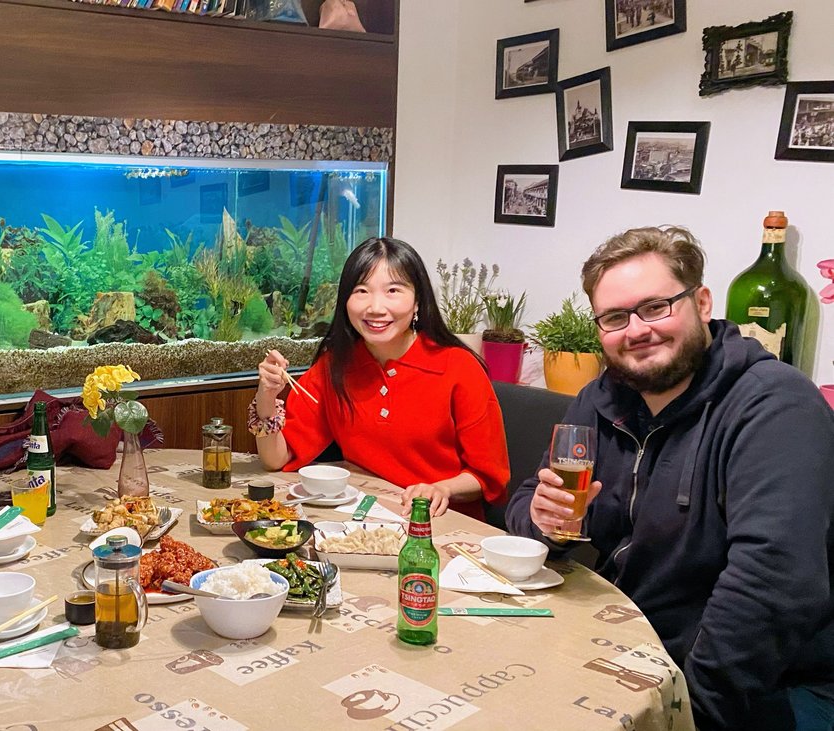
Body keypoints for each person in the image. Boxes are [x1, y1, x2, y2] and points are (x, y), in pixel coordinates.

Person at [504, 226, 834, 731]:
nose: (637, 330)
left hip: (764, 684)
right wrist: (543, 520)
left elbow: (772, 586)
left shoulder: (774, 406)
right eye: (615, 318)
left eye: (656, 307)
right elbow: (531, 498)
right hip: (631, 645)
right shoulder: (601, 399)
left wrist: (689, 709)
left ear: (701, 303)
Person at [252, 237, 510, 520]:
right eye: (362, 291)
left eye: (393, 291)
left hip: (439, 521)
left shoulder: (459, 367)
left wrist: (442, 489)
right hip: (364, 515)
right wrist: (266, 395)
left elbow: (489, 477)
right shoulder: (335, 365)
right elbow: (275, 459)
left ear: (417, 302)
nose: (375, 307)